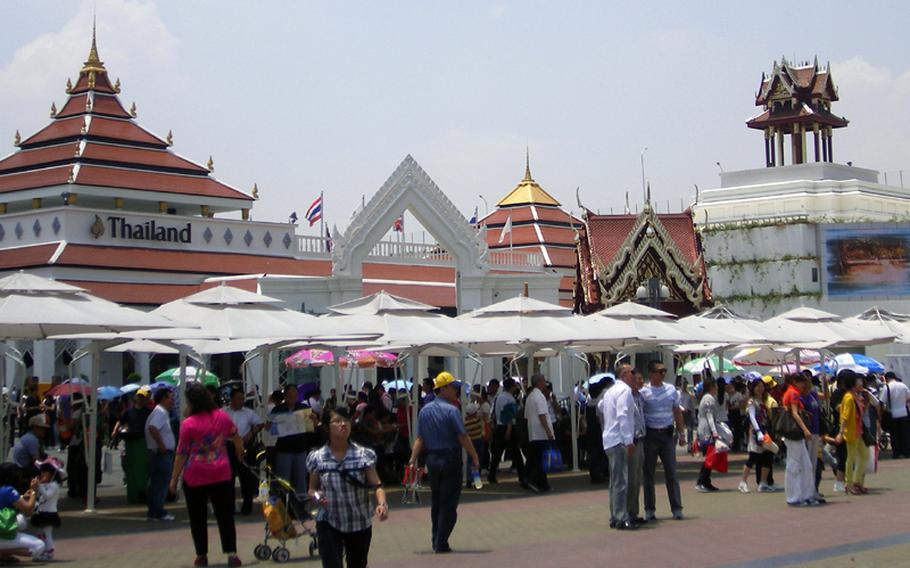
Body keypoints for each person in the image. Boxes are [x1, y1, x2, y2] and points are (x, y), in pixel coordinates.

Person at [168, 383, 243, 567]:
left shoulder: (188, 424)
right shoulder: (221, 416)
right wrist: (240, 452)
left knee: (197, 517)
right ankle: (232, 554)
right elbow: (235, 435)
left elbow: (182, 452)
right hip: (221, 473)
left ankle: (202, 554)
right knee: (225, 515)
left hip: (195, 475)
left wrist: (174, 478)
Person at [407, 371, 480, 553]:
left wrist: (412, 460)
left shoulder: (424, 411)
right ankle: (441, 541)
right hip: (449, 458)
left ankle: (436, 538)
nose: (456, 391)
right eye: (454, 387)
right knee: (449, 504)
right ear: (443, 388)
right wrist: (474, 456)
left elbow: (420, 439)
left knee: (437, 501)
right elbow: (463, 437)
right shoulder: (452, 410)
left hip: (432, 460)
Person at [307, 408, 389, 568]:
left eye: (346, 420)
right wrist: (317, 496)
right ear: (326, 427)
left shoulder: (363, 455)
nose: (343, 424)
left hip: (359, 521)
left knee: (357, 563)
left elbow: (377, 485)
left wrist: (382, 504)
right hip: (329, 520)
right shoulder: (317, 457)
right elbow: (312, 489)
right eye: (337, 421)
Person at [640, 360, 686, 522]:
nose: (663, 374)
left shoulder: (671, 390)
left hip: (667, 434)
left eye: (664, 371)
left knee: (672, 472)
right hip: (650, 435)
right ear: (652, 374)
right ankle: (650, 509)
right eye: (660, 371)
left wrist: (681, 434)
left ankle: (677, 508)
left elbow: (677, 412)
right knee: (648, 474)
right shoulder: (644, 392)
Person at [600, 364, 637, 530]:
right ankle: (621, 517)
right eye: (632, 373)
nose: (635, 376)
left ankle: (615, 515)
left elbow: (601, 407)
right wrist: (629, 440)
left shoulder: (609, 391)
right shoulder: (624, 391)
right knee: (621, 480)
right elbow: (622, 415)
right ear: (624, 375)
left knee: (615, 481)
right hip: (618, 439)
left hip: (609, 439)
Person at [268, 384, 320, 496]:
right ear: (285, 396)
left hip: (300, 448)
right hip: (284, 449)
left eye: (295, 396)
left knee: (300, 478)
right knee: (284, 479)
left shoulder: (303, 408)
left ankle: (301, 503)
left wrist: (314, 420)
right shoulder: (278, 409)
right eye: (290, 396)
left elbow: (313, 427)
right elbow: (271, 428)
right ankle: (284, 502)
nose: (293, 398)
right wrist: (270, 425)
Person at [782, 374, 820, 506]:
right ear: (794, 382)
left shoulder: (791, 392)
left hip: (795, 434)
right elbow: (794, 413)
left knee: (806, 465)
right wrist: (805, 429)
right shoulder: (793, 393)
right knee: (794, 465)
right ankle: (793, 497)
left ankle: (805, 495)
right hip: (794, 434)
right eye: (801, 382)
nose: (803, 385)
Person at [225, 387, 264, 515]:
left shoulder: (248, 413)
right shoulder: (223, 412)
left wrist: (251, 433)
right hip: (228, 446)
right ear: (232, 399)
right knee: (228, 477)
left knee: (245, 476)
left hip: (243, 445)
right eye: (238, 398)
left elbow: (259, 423)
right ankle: (229, 506)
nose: (241, 401)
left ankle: (247, 506)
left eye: (243, 398)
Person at [739, 378, 780, 493]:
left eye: (762, 386)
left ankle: (763, 482)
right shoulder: (752, 401)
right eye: (758, 386)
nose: (760, 388)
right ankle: (743, 482)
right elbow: (752, 417)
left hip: (766, 431)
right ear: (753, 388)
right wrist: (758, 432)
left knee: (767, 456)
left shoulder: (763, 400)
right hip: (756, 434)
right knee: (753, 458)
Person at [113, 387, 152, 504]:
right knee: (131, 470)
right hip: (130, 441)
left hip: (143, 442)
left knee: (142, 470)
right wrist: (115, 431)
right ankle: (133, 494)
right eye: (139, 396)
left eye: (143, 397)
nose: (141, 399)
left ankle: (143, 493)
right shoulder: (129, 411)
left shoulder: (148, 412)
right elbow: (120, 420)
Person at [0, 464, 44, 561]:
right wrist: (34, 491)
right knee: (39, 546)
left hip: (3, 530)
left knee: (19, 521)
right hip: (4, 533)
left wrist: (23, 497)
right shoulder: (9, 490)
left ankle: (4, 555)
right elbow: (28, 509)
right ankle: (3, 553)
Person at [145, 388, 176, 522]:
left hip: (157, 453)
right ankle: (159, 511)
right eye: (170, 398)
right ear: (163, 399)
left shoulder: (158, 412)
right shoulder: (161, 413)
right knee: (161, 484)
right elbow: (153, 427)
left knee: (156, 483)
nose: (172, 401)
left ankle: (153, 511)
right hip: (162, 453)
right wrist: (162, 445)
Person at [836, 372, 869, 496]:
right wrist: (841, 432)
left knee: (864, 455)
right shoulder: (849, 397)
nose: (861, 383)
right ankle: (849, 484)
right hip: (851, 432)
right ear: (853, 383)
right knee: (851, 458)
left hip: (857, 431)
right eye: (858, 381)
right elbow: (844, 417)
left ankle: (856, 482)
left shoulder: (855, 396)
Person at [488, 378, 525, 485]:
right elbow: (509, 415)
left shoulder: (499, 397)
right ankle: (522, 476)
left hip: (499, 426)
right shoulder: (510, 399)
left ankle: (492, 475)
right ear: (511, 387)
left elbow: (495, 412)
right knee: (516, 453)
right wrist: (509, 429)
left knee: (497, 453)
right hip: (507, 427)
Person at [524, 374, 555, 493]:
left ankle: (531, 479)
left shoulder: (530, 397)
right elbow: (542, 415)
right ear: (539, 382)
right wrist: (549, 432)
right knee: (542, 460)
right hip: (541, 433)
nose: (545, 383)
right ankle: (541, 483)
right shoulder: (540, 396)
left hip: (533, 432)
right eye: (543, 381)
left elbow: (527, 416)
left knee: (534, 458)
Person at [31, 462, 62, 561]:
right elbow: (39, 498)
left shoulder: (54, 485)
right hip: (41, 512)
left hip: (50, 513)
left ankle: (50, 552)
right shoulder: (45, 485)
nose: (43, 475)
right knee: (40, 533)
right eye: (42, 473)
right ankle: (42, 551)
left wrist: (39, 486)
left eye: (45, 473)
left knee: (47, 533)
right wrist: (35, 489)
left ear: (52, 474)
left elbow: (47, 495)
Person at [695, 377, 721, 492]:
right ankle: (701, 481)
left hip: (705, 429)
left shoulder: (706, 398)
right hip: (707, 431)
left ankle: (706, 481)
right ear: (712, 386)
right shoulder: (708, 398)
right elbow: (709, 416)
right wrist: (714, 431)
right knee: (709, 457)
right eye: (715, 385)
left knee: (710, 456)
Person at [627, 370, 646, 524]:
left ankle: (634, 511)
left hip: (640, 439)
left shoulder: (640, 396)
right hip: (630, 440)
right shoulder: (626, 397)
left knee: (638, 477)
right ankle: (628, 512)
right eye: (638, 379)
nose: (641, 382)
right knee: (631, 478)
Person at [881, 372, 910, 459]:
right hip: (904, 413)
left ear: (887, 378)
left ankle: (896, 453)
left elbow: (882, 401)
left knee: (894, 435)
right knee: (905, 434)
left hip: (892, 414)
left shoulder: (887, 387)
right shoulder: (903, 386)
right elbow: (908, 398)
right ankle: (906, 452)